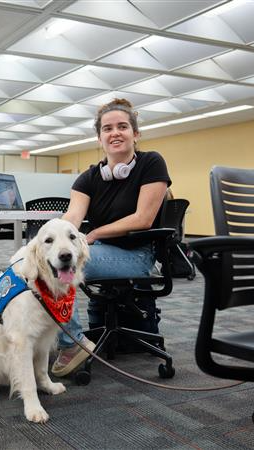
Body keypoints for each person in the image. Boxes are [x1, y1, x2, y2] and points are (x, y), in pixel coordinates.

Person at [51, 99, 171, 377]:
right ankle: (65, 338)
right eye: (107, 128)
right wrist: (50, 240)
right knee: (47, 263)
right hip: (100, 252)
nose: (115, 133)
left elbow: (143, 219)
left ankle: (72, 343)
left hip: (138, 256)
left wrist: (94, 234)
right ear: (99, 137)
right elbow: (72, 217)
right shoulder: (89, 177)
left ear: (135, 134)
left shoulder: (151, 163)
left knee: (61, 268)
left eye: (122, 126)